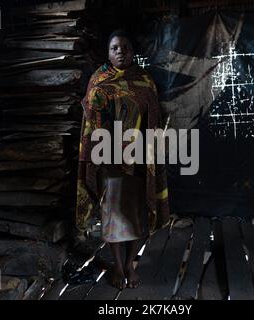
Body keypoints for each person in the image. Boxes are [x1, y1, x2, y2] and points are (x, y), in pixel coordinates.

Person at [75, 29, 170, 289]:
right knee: (113, 214)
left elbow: (154, 119)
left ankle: (130, 263)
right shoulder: (99, 80)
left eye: (125, 47)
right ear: (108, 52)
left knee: (137, 213)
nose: (120, 51)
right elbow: (90, 120)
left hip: (138, 160)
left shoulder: (144, 80)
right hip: (109, 159)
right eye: (115, 47)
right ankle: (117, 265)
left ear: (133, 51)